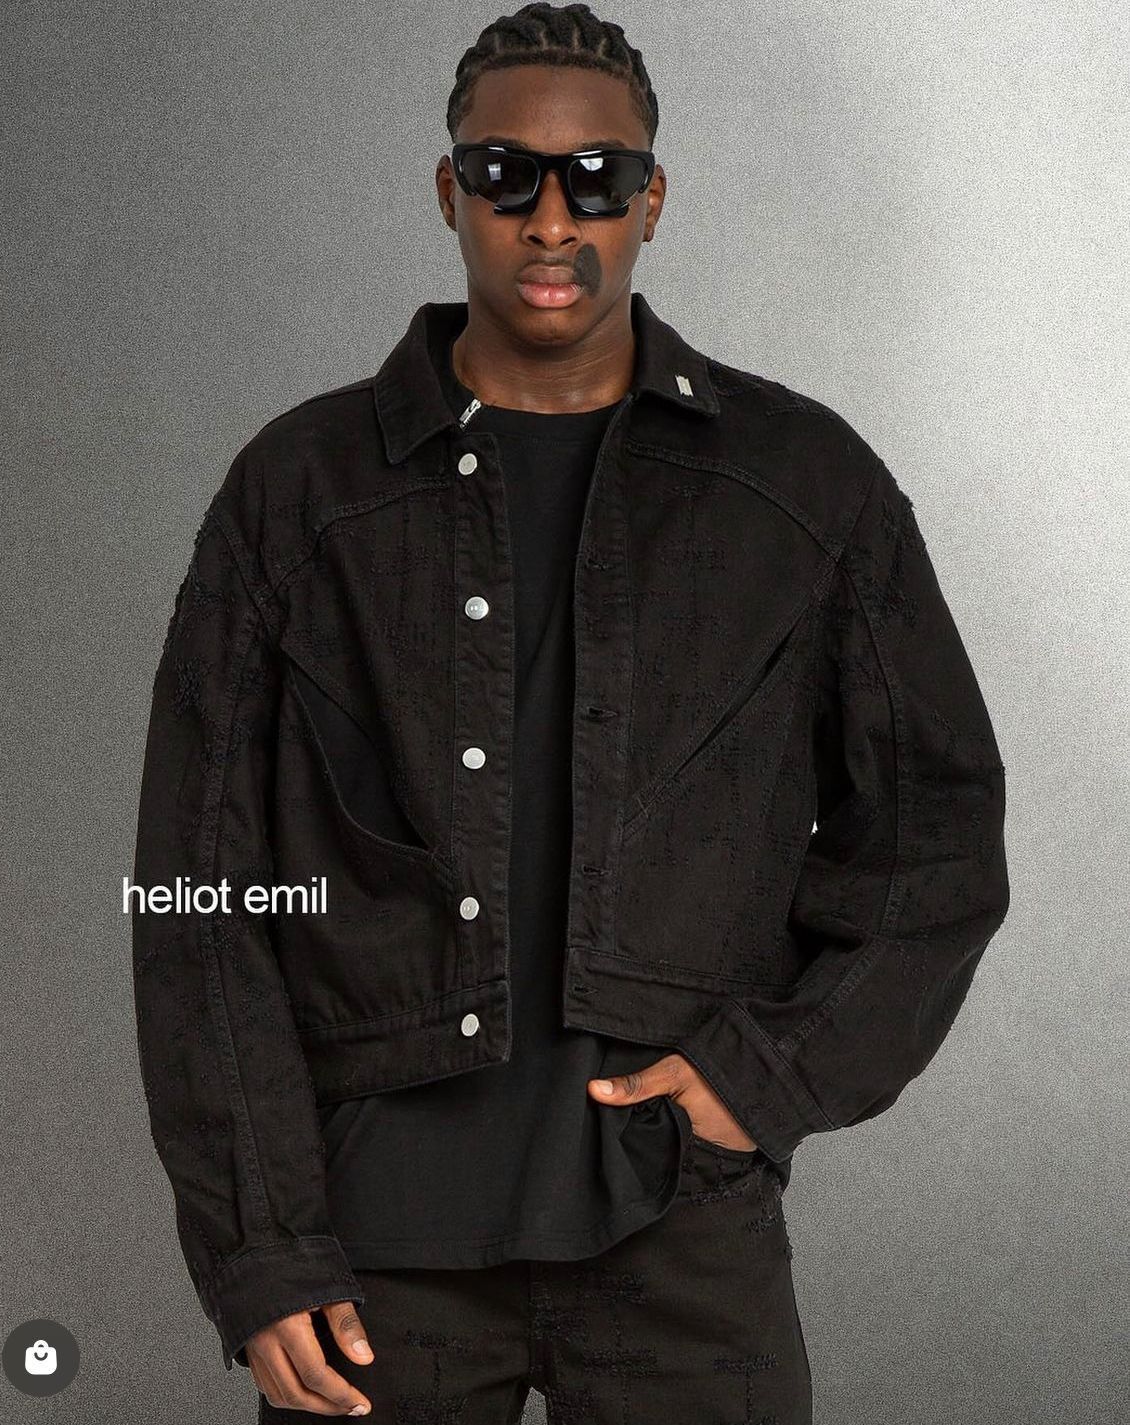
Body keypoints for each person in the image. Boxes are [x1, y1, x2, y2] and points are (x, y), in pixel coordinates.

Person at [130, 4, 1010, 1421]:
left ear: (651, 200)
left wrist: (765, 1075)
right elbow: (198, 892)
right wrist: (262, 1246)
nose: (552, 220)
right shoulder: (298, 493)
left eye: (597, 179)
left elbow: (935, 834)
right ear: (450, 191)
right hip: (371, 1249)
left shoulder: (801, 487)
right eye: (506, 176)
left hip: (680, 1232)